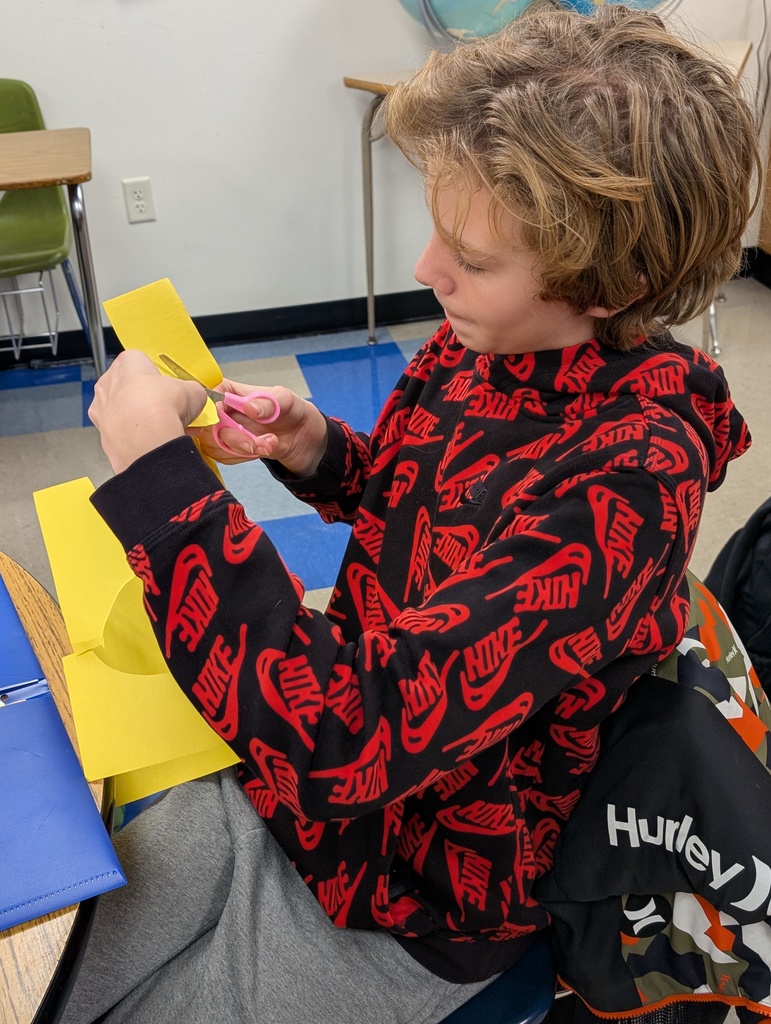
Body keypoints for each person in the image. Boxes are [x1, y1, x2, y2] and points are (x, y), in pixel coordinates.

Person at [61, 5, 760, 1024]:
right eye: (440, 233)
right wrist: (316, 450)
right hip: (301, 785)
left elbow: (347, 739)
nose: (430, 273)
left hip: (420, 890)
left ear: (617, 285)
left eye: (473, 261)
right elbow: (415, 495)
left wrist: (160, 493)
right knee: (60, 959)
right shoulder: (486, 343)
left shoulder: (631, 482)